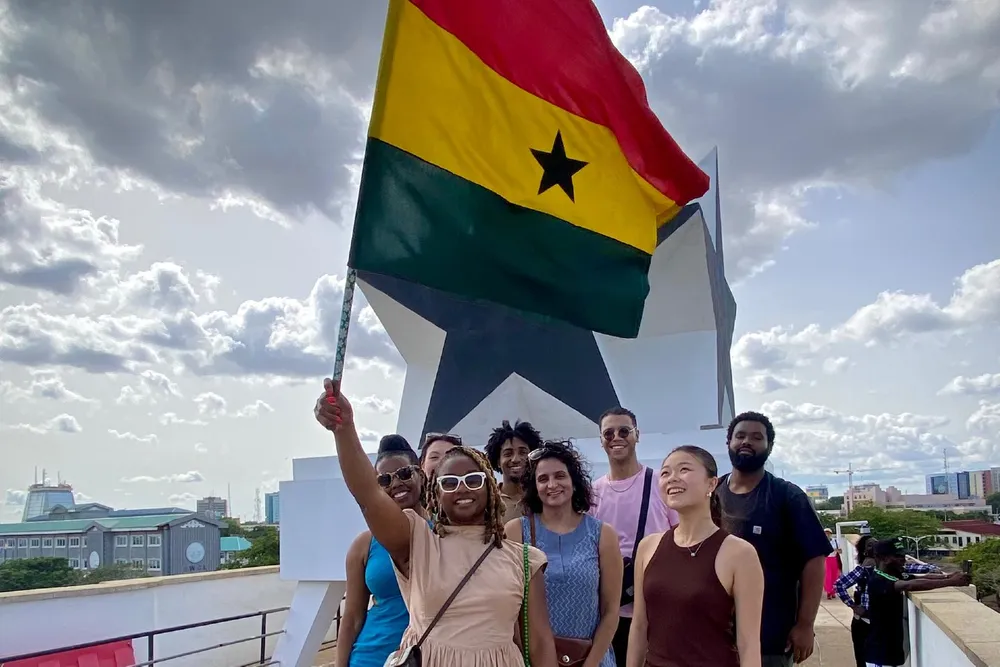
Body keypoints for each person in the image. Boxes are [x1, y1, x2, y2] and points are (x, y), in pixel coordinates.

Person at [315, 379, 558, 667]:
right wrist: (344, 430)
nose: (463, 488)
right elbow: (368, 495)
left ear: (490, 487)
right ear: (436, 493)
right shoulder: (417, 543)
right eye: (450, 482)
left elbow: (540, 642)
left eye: (473, 479)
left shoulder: (524, 560)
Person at [628, 446, 764, 667]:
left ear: (711, 483)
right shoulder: (648, 546)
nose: (672, 478)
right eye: (665, 473)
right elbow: (639, 626)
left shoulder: (740, 553)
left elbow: (748, 644)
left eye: (684, 469)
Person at [715, 412, 831, 666]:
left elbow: (814, 561)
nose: (747, 441)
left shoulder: (787, 497)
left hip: (769, 637)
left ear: (769, 447)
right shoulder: (711, 494)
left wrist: (805, 625)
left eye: (757, 437)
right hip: (714, 635)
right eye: (740, 436)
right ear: (729, 442)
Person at [504, 440, 621, 667]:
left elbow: (610, 612)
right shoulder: (516, 532)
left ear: (573, 482)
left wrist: (590, 664)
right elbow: (510, 611)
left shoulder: (602, 535)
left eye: (560, 476)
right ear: (534, 487)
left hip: (593, 659)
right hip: (533, 661)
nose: (552, 484)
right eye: (543, 479)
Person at [590, 406, 679, 667]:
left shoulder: (661, 486)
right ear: (601, 441)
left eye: (624, 431)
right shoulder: (593, 493)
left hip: (656, 610)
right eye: (608, 433)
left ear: (637, 435)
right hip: (609, 613)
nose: (616, 437)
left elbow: (681, 538)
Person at [338, 435, 428, 667]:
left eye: (405, 474)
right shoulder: (364, 545)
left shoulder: (445, 533)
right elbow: (352, 617)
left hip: (431, 655)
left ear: (421, 474)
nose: (396, 483)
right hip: (371, 658)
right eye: (385, 480)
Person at [834, 536, 943, 667]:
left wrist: (939, 572)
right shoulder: (864, 570)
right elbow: (839, 585)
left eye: (875, 543)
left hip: (880, 625)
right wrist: (853, 606)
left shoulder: (891, 569)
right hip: (864, 623)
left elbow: (915, 569)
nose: (873, 546)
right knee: (864, 660)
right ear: (864, 551)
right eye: (869, 545)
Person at [863, 539, 970, 667]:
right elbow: (910, 585)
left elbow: (918, 578)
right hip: (880, 654)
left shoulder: (893, 574)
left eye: (903, 556)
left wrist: (948, 576)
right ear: (883, 558)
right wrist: (951, 582)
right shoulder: (878, 580)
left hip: (891, 650)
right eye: (898, 556)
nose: (903, 560)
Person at [487, 420, 544, 523]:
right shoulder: (488, 502)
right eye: (508, 454)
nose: (516, 459)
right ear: (498, 461)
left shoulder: (545, 496)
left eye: (523, 452)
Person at [824, 529, 842, 599]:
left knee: (835, 576)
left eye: (828, 533)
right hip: (826, 559)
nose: (827, 534)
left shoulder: (835, 541)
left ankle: (833, 591)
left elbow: (840, 551)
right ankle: (829, 591)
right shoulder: (822, 542)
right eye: (825, 533)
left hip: (834, 559)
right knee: (828, 576)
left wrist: (835, 550)